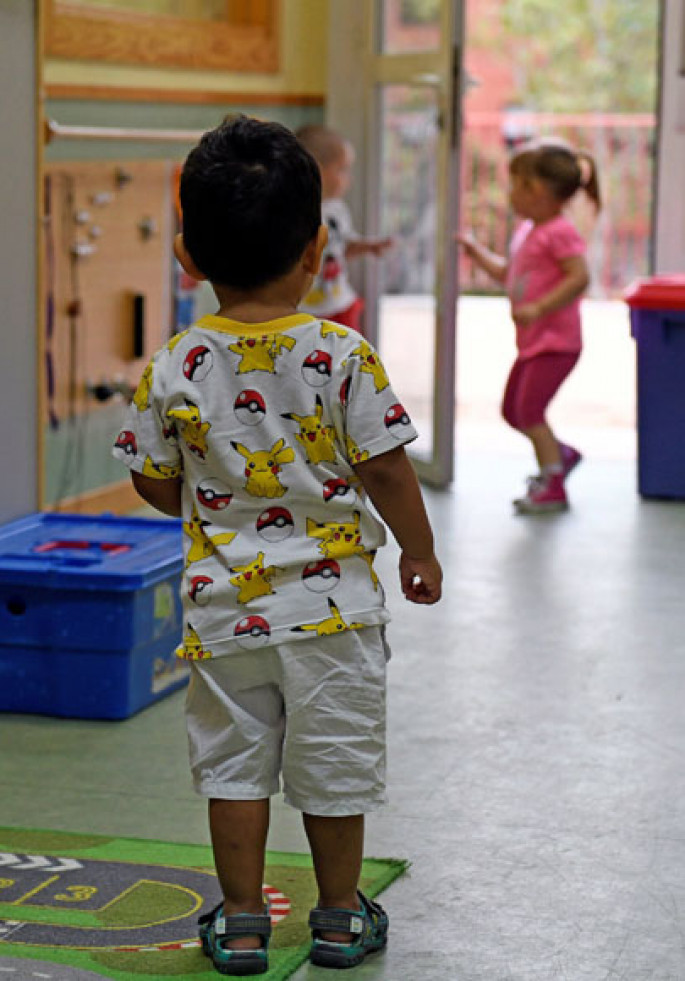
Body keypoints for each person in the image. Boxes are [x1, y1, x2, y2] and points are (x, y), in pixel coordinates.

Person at [112, 114, 442, 976]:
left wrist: (205, 493)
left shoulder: (176, 362)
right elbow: (386, 470)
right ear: (316, 249)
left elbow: (151, 481)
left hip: (225, 615)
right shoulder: (341, 353)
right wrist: (417, 550)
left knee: (233, 770)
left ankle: (245, 920)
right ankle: (337, 917)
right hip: (333, 615)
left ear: (188, 256)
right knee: (332, 765)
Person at [458, 137, 601, 513]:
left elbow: (580, 277)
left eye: (516, 184)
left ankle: (553, 483)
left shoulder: (560, 231)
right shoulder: (529, 231)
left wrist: (539, 307)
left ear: (537, 191)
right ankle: (560, 454)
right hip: (534, 342)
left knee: (529, 411)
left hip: (557, 343)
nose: (510, 194)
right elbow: (509, 273)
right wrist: (476, 253)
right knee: (513, 410)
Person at [295, 124, 392, 332]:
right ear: (316, 169)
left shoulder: (337, 209)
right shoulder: (295, 212)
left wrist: (366, 246)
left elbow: (340, 249)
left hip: (340, 303)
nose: (349, 178)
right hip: (304, 310)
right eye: (342, 169)